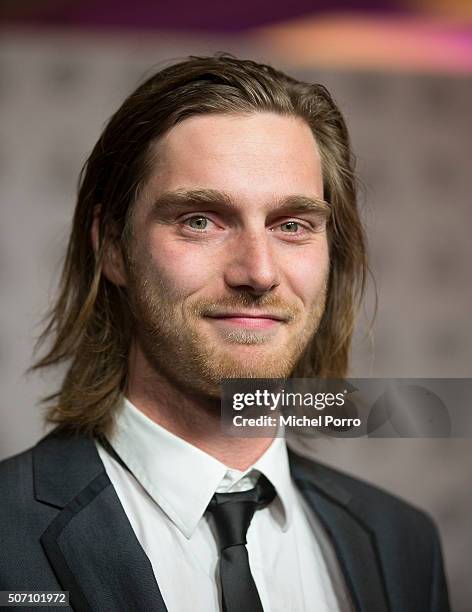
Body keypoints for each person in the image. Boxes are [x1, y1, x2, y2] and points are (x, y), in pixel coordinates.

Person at [0, 55, 449, 612]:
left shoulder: (403, 541)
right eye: (200, 220)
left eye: (292, 225)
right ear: (112, 246)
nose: (258, 272)